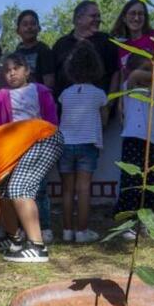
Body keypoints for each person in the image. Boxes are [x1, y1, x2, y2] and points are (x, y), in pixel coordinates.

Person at [0, 52, 59, 247]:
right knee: (13, 191)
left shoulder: (41, 91)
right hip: (12, 151)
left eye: (16, 69)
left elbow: (51, 120)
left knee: (39, 190)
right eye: (7, 71)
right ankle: (16, 231)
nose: (12, 74)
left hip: (38, 148)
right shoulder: (1, 96)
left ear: (27, 70)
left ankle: (43, 228)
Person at [0, 120, 63, 263]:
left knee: (19, 188)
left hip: (46, 137)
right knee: (4, 193)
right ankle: (14, 240)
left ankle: (37, 247)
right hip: (41, 136)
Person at [58, 41, 108, 244]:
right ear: (95, 67)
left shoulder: (64, 94)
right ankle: (82, 231)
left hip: (65, 145)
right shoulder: (99, 94)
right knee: (84, 189)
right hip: (88, 144)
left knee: (67, 190)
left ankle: (67, 230)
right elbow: (104, 120)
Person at [115, 54, 154, 239]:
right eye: (147, 69)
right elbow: (135, 76)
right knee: (131, 183)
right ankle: (127, 224)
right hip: (133, 140)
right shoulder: (129, 88)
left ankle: (147, 223)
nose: (151, 74)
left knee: (150, 184)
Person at [51, 0, 120, 102]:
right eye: (93, 16)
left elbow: (116, 73)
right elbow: (54, 77)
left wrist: (109, 103)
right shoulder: (61, 44)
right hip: (66, 109)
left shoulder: (107, 41)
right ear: (79, 18)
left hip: (99, 108)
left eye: (99, 16)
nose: (98, 19)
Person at [109, 0, 154, 92]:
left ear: (145, 18)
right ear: (124, 18)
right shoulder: (121, 47)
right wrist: (121, 104)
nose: (136, 18)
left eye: (140, 14)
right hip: (131, 101)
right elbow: (122, 77)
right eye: (132, 13)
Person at [15, 10, 55, 88]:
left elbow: (49, 83)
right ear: (18, 31)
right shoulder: (16, 53)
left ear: (39, 28)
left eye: (33, 24)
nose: (29, 27)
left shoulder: (44, 50)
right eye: (25, 24)